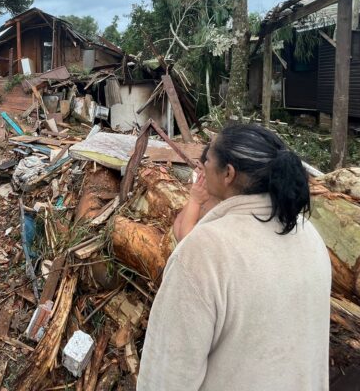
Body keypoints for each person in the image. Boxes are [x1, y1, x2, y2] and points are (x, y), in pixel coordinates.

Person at [137, 124, 331, 391]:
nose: (202, 165)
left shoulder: (205, 252)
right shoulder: (308, 234)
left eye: (207, 158)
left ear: (228, 173)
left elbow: (168, 375)